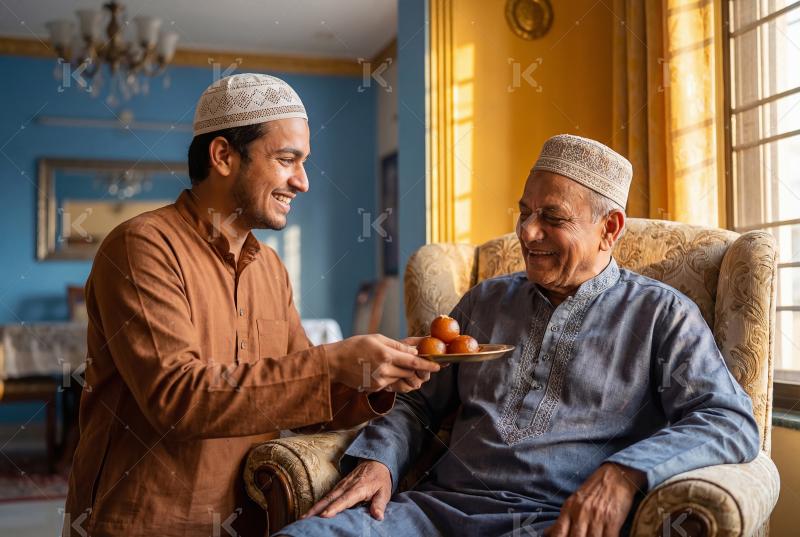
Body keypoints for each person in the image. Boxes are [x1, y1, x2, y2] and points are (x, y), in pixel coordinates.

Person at [276, 134, 760, 537]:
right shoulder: (485, 300)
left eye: (552, 218)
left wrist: (625, 474)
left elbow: (729, 420)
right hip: (426, 514)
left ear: (609, 229)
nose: (527, 233)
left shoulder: (662, 315)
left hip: (549, 522)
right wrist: (381, 460)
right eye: (524, 211)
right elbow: (418, 401)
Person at [63, 73, 439, 537]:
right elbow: (178, 400)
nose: (301, 182)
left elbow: (309, 402)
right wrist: (332, 362)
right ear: (223, 156)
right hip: (145, 520)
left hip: (251, 520)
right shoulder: (142, 246)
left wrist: (376, 377)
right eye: (286, 160)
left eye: (303, 164)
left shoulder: (270, 268)